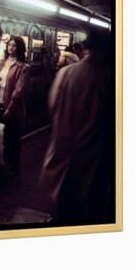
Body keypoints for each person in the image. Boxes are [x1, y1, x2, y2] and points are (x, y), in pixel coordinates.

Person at [41, 28, 113, 224]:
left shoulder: (66, 73)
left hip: (62, 151)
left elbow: (53, 106)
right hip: (94, 157)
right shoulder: (110, 78)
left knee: (65, 204)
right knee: (90, 206)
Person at [0, 35, 30, 177]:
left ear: (19, 48)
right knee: (1, 137)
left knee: (13, 139)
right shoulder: (3, 62)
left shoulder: (23, 67)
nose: (11, 47)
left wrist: (10, 109)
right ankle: (2, 164)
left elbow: (19, 91)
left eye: (14, 45)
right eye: (9, 45)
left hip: (13, 109)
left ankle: (14, 167)